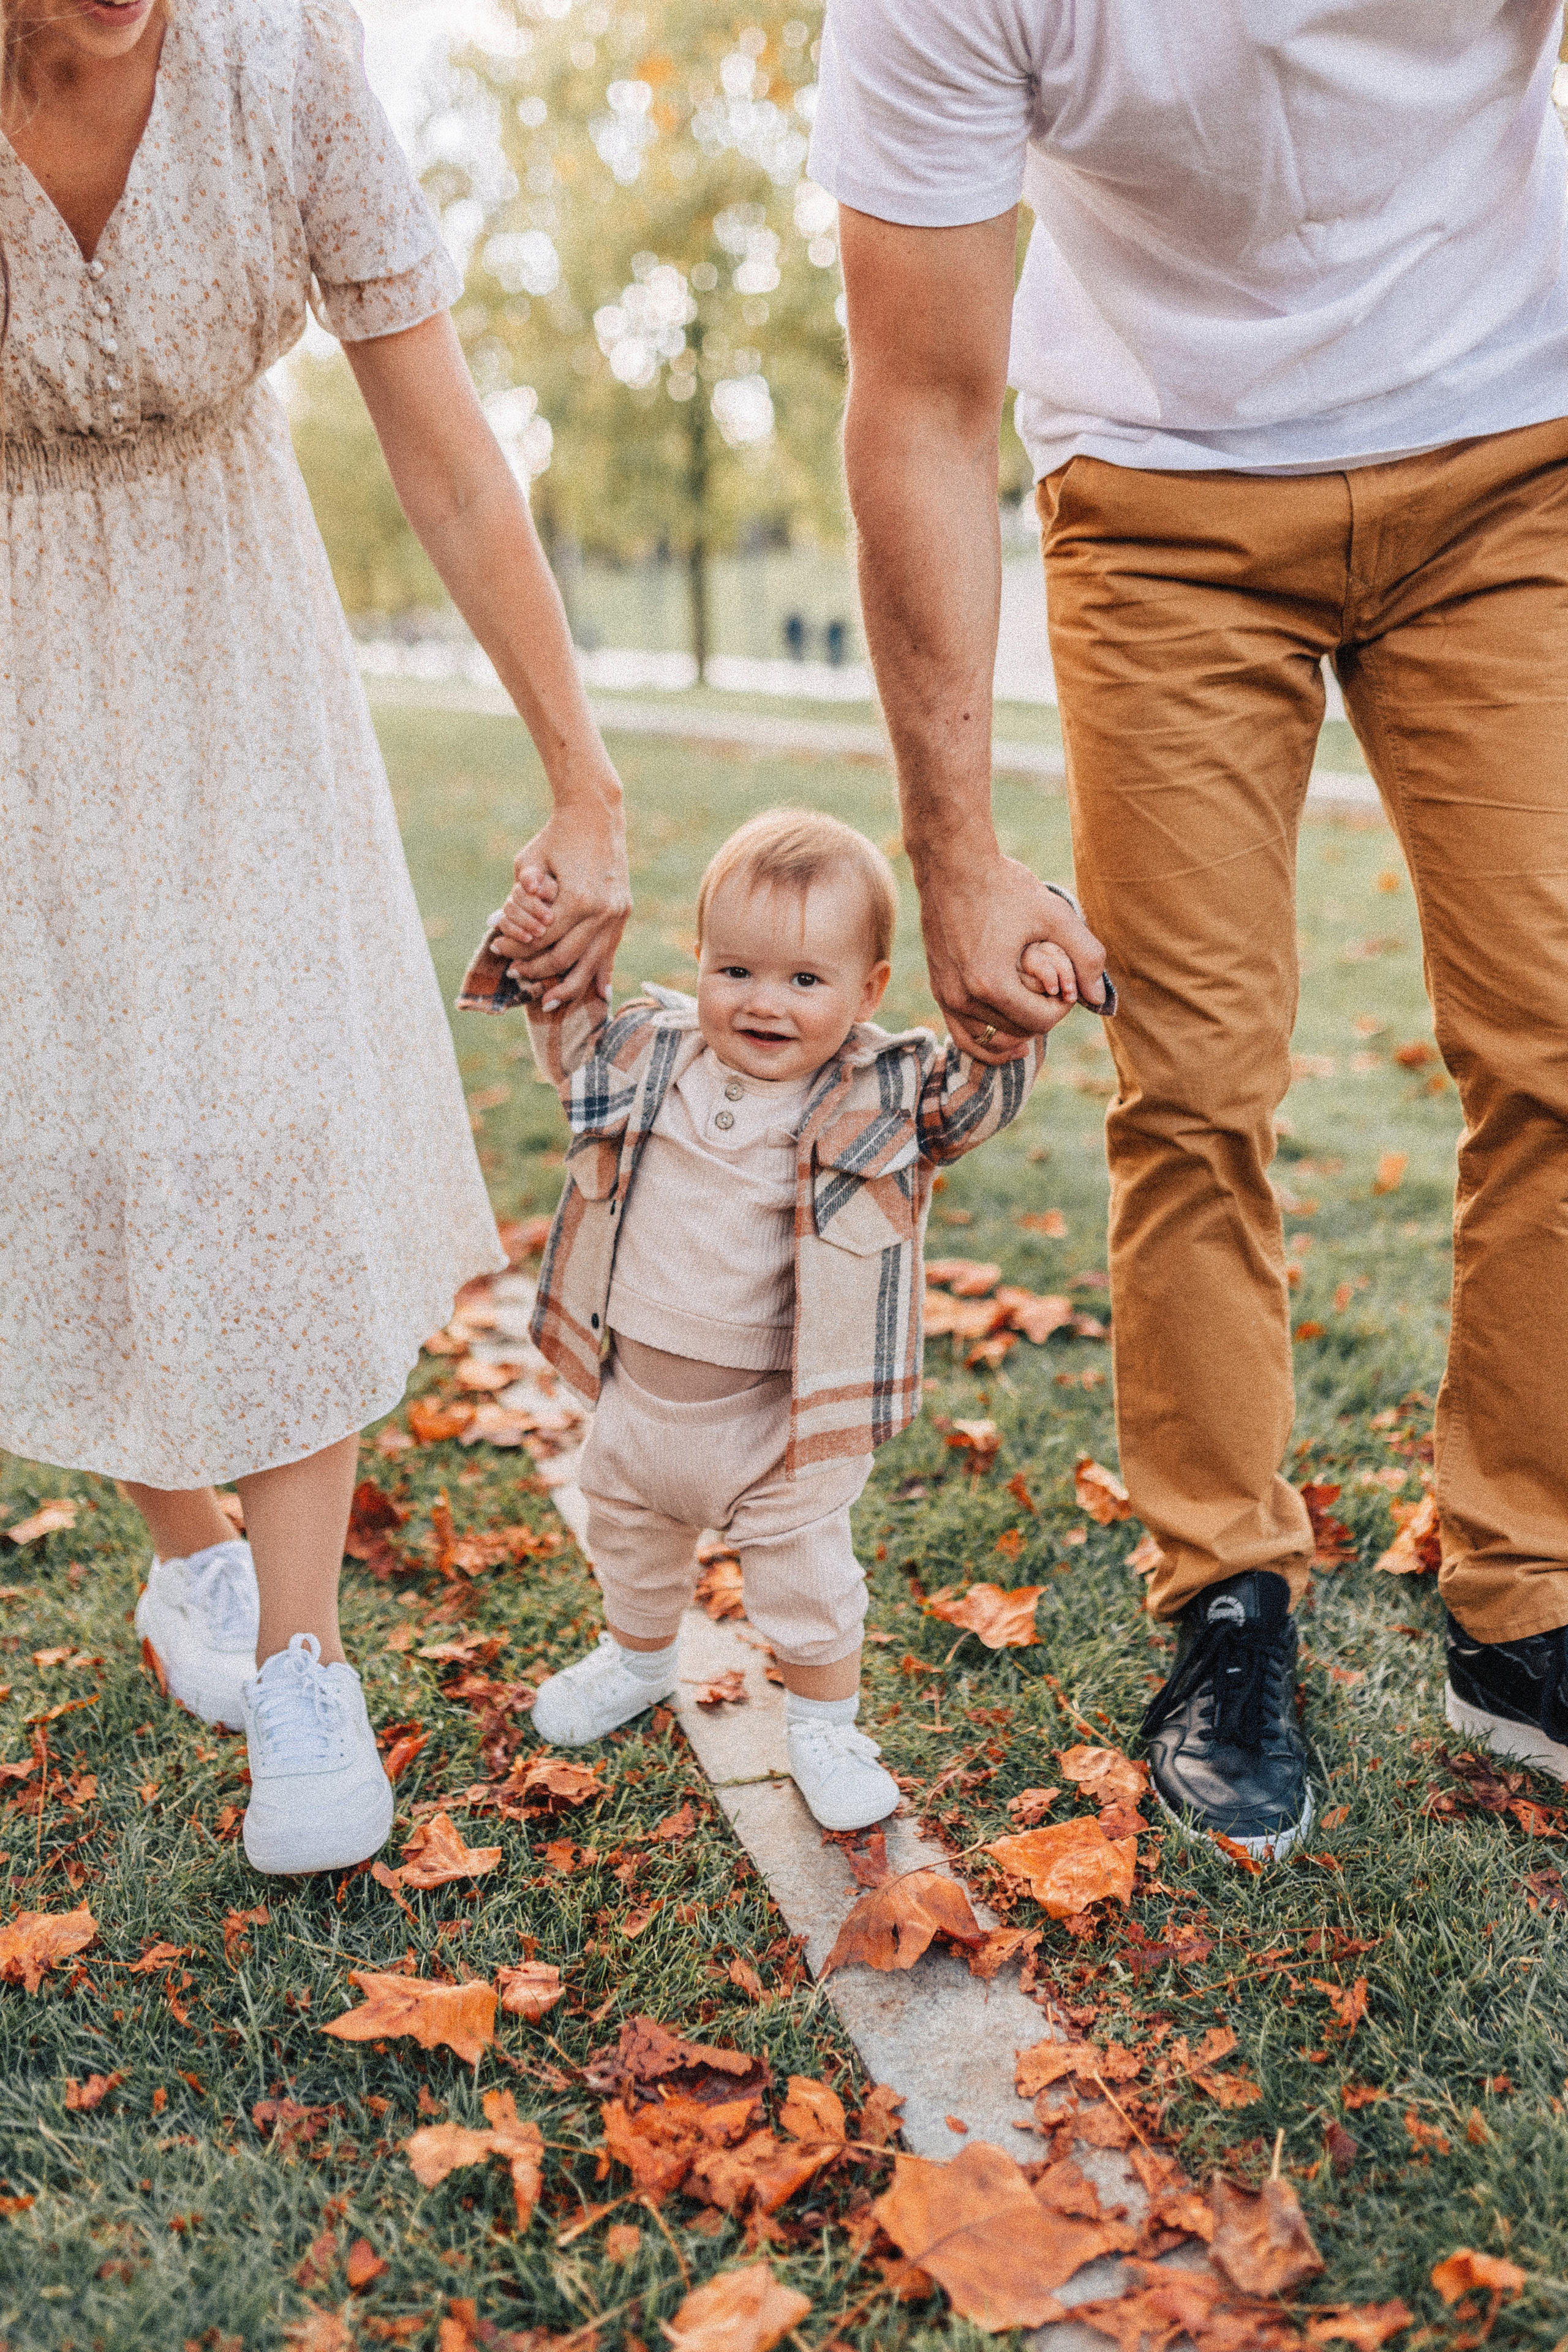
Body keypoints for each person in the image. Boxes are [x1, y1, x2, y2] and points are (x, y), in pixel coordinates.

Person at [805, 0, 1568, 1859]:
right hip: (1161, 501)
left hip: (1512, 450)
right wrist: (960, 845)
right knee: (1200, 1084)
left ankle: (1525, 1588)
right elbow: (918, 397)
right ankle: (1225, 1601)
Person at [0, 0, 628, 1874]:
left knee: (263, 1109)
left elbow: (439, 450)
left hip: (231, 634)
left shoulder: (283, 68)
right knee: (73, 1112)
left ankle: (301, 1661)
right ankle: (187, 1556)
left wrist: (579, 778)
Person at [461, 809, 1107, 1830]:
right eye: (737, 972)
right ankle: (635, 1659)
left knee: (808, 1586)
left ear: (869, 991)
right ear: (702, 962)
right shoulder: (650, 1052)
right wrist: (538, 935)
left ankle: (823, 1726)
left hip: (780, 1421)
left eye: (806, 981)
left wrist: (1017, 1000)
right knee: (628, 1541)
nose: (765, 1003)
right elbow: (570, 1035)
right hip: (639, 1399)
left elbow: (971, 1102)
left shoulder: (881, 1087)